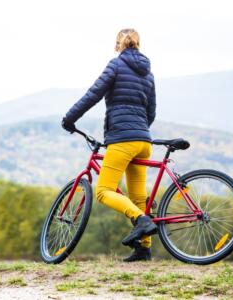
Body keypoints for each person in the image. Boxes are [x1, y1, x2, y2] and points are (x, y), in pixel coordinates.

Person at [61, 28, 157, 262]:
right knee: (137, 197)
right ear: (138, 44)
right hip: (143, 140)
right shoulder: (148, 73)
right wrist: (138, 130)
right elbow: (151, 112)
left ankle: (141, 220)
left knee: (104, 191)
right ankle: (143, 249)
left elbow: (93, 94)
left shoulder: (115, 65)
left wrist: (70, 118)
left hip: (122, 139)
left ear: (117, 45)